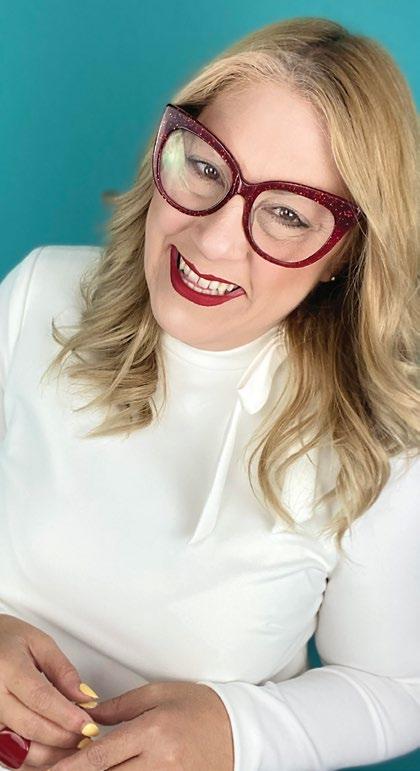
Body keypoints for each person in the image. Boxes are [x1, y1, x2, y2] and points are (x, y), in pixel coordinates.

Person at [0, 14, 419, 771]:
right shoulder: (38, 294)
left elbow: (396, 688)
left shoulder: (379, 438)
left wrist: (236, 732)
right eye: (206, 167)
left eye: (287, 213)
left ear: (346, 252)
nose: (213, 239)